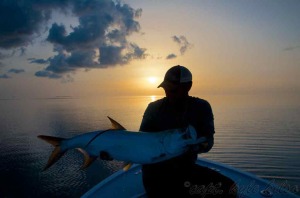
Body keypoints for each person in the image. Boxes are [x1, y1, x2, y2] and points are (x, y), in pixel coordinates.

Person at [140, 65, 237, 197]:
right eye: (165, 89)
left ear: (188, 86)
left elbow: (208, 142)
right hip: (156, 175)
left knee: (230, 189)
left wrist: (193, 146)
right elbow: (141, 142)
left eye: (173, 90)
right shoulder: (153, 108)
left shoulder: (201, 107)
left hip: (185, 171)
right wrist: (116, 151)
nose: (168, 94)